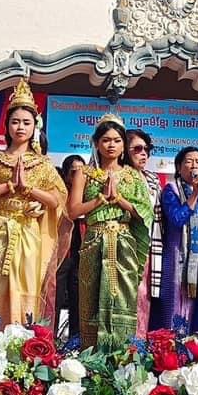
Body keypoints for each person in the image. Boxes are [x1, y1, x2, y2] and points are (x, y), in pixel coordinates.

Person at [0, 79, 68, 326]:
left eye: (26, 122)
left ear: (34, 127)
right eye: (15, 122)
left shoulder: (43, 163)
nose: (20, 127)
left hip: (28, 230)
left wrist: (31, 190)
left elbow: (57, 200)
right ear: (7, 126)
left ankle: (22, 345)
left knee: (26, 286)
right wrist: (9, 187)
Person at [68, 113, 152, 346]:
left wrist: (121, 200)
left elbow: (145, 212)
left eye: (116, 140)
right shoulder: (84, 174)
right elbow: (73, 211)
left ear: (124, 145)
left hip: (124, 243)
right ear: (96, 143)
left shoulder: (133, 175)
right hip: (94, 240)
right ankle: (90, 359)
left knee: (122, 299)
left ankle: (121, 358)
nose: (111, 145)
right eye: (105, 140)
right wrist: (100, 200)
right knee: (91, 299)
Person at [159, 147, 198, 335]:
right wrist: (193, 194)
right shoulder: (171, 191)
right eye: (189, 161)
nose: (194, 165)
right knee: (178, 304)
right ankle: (173, 349)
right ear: (179, 167)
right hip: (178, 255)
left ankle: (197, 348)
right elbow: (177, 219)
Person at [127, 128, 161, 336]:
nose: (144, 154)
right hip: (124, 244)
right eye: (138, 149)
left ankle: (138, 350)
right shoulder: (121, 176)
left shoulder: (152, 180)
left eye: (147, 149)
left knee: (143, 297)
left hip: (148, 246)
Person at [55, 154, 86, 335]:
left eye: (82, 172)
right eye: (74, 172)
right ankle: (50, 339)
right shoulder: (59, 193)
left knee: (78, 300)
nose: (78, 176)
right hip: (61, 255)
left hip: (81, 255)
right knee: (57, 298)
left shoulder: (87, 193)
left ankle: (75, 342)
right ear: (66, 174)